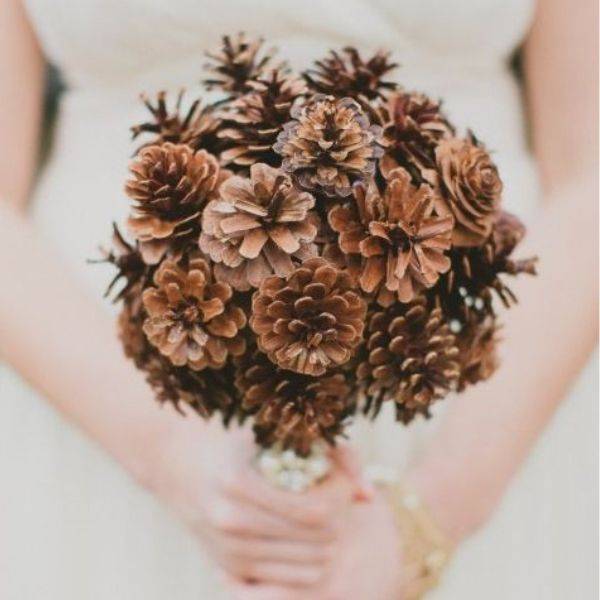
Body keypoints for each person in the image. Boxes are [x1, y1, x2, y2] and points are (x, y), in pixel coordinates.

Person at [0, 0, 597, 598]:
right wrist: (169, 456)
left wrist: (431, 513)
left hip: (487, 393)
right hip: (104, 394)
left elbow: (589, 179)